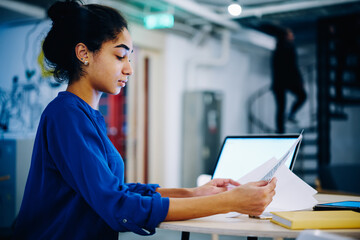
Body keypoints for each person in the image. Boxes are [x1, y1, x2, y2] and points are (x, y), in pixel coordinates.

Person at [13, 1, 277, 239]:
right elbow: (117, 206)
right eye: (120, 56)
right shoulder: (66, 115)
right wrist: (229, 202)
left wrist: (192, 193)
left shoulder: (85, 115)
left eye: (130, 57)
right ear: (84, 54)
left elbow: (114, 190)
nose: (129, 68)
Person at [272, 28, 307, 133]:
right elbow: (293, 66)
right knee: (302, 96)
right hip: (286, 80)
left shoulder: (277, 49)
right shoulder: (289, 48)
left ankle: (280, 130)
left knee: (281, 107)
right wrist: (300, 81)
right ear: (286, 36)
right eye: (291, 34)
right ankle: (290, 115)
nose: (293, 36)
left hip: (279, 81)